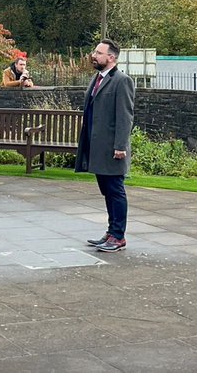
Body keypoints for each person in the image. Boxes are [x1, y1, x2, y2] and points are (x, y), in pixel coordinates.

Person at [75, 39, 135, 253]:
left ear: (111, 57)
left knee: (115, 190)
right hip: (97, 147)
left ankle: (118, 236)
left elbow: (125, 117)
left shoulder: (122, 81)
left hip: (113, 149)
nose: (94, 55)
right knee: (107, 191)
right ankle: (111, 233)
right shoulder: (97, 79)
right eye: (95, 52)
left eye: (99, 53)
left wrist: (120, 146)